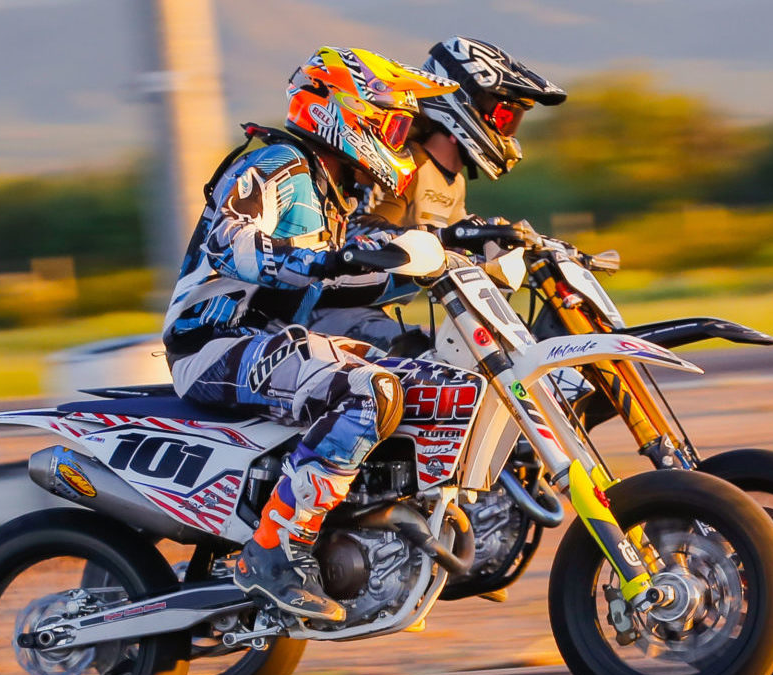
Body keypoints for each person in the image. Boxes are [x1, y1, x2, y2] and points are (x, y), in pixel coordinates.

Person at [163, 47, 456, 622]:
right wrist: (329, 257)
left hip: (271, 341)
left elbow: (352, 275)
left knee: (422, 374)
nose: (400, 143)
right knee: (368, 393)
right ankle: (272, 551)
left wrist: (450, 263)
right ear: (344, 111)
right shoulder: (274, 163)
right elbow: (232, 241)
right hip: (215, 344)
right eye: (394, 125)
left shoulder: (335, 189)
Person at [310, 37, 566, 354]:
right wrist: (444, 237)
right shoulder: (403, 164)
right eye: (503, 118)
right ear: (465, 104)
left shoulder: (454, 181)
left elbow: (458, 239)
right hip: (330, 315)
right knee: (453, 357)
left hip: (375, 312)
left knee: (492, 351)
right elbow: (353, 235)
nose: (508, 133)